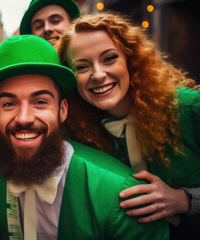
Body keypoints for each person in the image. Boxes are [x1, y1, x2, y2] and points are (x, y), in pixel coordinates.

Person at [0, 34, 169, 239]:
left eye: (40, 102)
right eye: (9, 104)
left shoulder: (124, 195)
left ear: (62, 110)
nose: (23, 118)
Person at [58, 12, 200, 238]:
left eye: (109, 58)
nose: (98, 74)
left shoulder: (190, 108)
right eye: (82, 67)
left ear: (130, 60)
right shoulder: (80, 130)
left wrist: (186, 199)